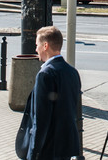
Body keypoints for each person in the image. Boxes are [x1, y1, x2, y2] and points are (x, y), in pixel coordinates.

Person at [20, 26, 82, 160]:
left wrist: (33, 153)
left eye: (37, 45)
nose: (36, 49)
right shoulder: (72, 72)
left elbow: (41, 119)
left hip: (48, 148)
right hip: (66, 146)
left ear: (45, 45)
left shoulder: (45, 74)